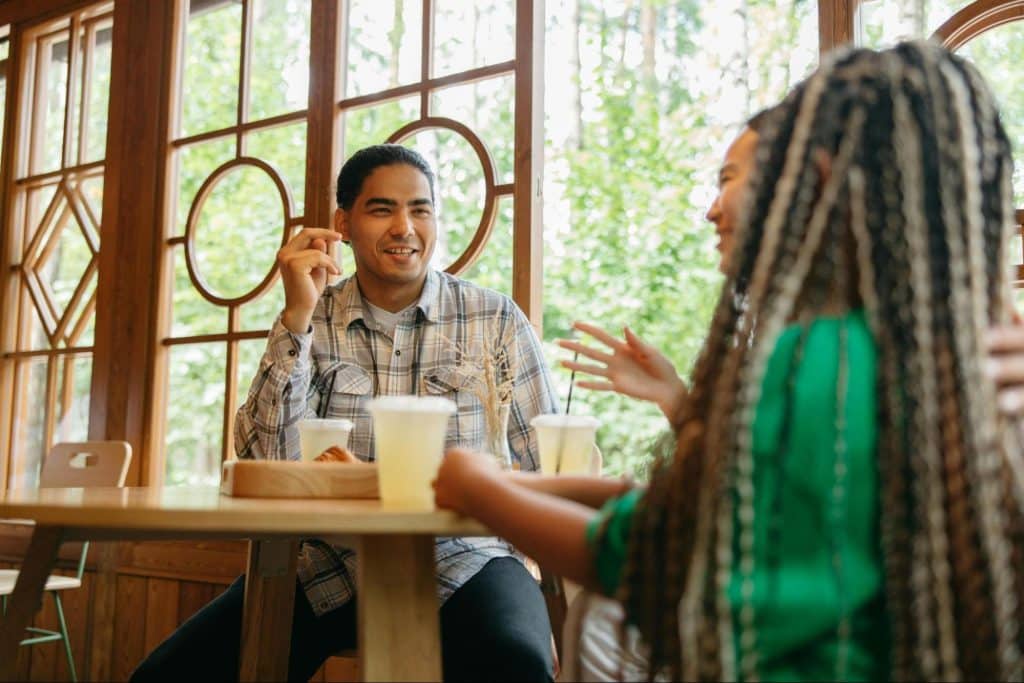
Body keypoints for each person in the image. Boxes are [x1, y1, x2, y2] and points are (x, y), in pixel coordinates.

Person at [433, 42, 1024, 682]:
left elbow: (656, 555)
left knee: (599, 621)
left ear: (817, 179)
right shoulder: (951, 354)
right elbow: (694, 500)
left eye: (740, 177)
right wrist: (501, 483)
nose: (713, 209)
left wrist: (478, 488)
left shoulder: (825, 361)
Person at [132, 145, 560, 682]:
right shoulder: (313, 317)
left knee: (516, 661)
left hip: (466, 558)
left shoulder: (493, 317)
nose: (405, 227)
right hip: (325, 565)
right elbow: (268, 460)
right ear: (343, 224)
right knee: (167, 677)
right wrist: (296, 317)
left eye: (420, 209)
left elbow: (547, 463)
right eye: (382, 209)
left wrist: (552, 586)